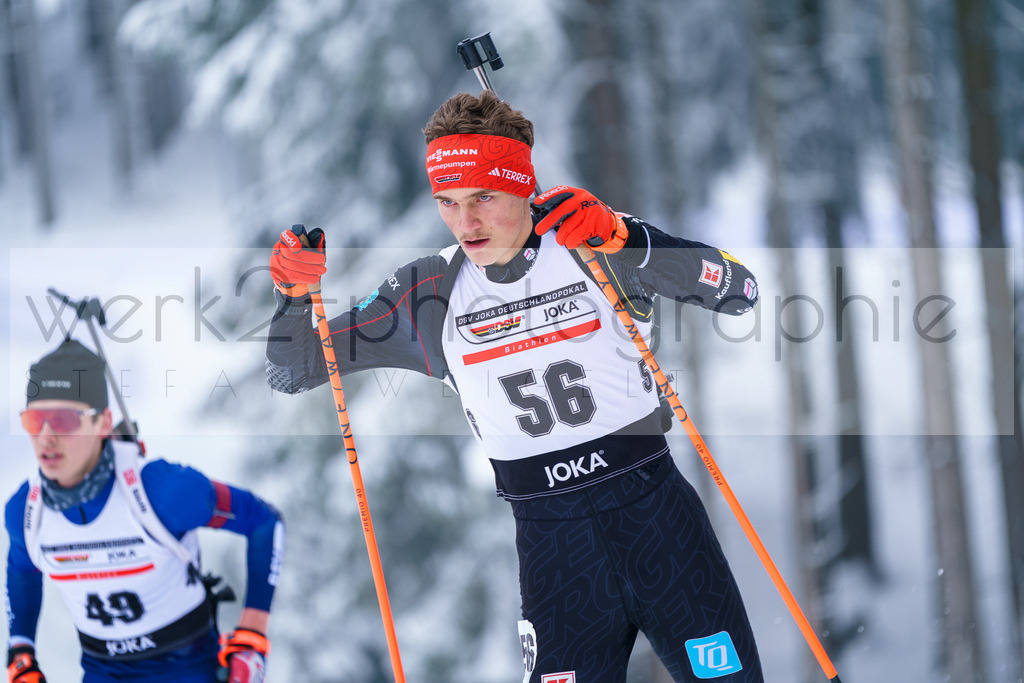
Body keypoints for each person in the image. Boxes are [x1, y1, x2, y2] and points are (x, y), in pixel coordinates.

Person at [265, 90, 762, 682]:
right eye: (446, 202)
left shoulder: (591, 241)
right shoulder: (430, 292)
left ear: (523, 187)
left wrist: (627, 239)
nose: (465, 221)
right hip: (556, 550)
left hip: (658, 523)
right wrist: (293, 298)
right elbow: (292, 368)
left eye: (483, 198)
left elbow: (739, 290)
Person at [6, 339, 284, 683]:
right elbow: (22, 568)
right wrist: (21, 654)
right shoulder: (26, 511)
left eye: (63, 420)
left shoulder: (163, 491)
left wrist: (252, 638)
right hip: (100, 671)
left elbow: (264, 521)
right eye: (35, 420)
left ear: (103, 422)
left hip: (186, 666)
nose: (46, 437)